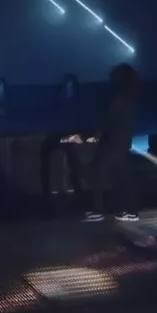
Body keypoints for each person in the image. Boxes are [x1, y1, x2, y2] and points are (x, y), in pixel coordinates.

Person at [65, 63, 139, 223]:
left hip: (112, 143)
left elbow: (107, 123)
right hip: (122, 142)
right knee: (122, 176)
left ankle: (99, 210)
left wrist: (89, 136)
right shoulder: (129, 99)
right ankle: (130, 210)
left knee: (97, 172)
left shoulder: (119, 99)